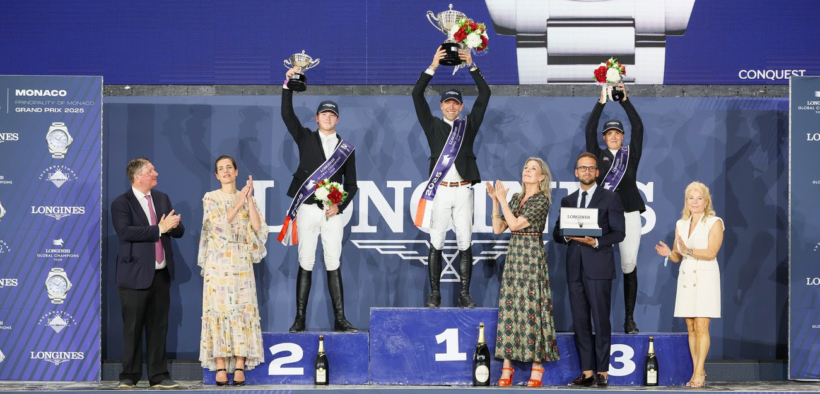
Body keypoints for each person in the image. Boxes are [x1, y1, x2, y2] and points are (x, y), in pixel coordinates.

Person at [279, 67, 358, 333]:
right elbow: (287, 115)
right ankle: (300, 319)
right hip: (307, 208)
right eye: (324, 113)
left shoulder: (346, 150)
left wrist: (340, 205)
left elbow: (352, 185)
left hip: (331, 213)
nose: (328, 117)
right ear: (317, 118)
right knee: (306, 261)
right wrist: (288, 85)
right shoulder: (305, 138)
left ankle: (340, 319)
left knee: (333, 261)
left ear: (337, 119)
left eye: (332, 114)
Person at [411, 46, 491, 308]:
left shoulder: (469, 125)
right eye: (447, 103)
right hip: (441, 190)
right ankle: (434, 293)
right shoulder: (432, 125)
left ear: (461, 106)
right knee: (436, 241)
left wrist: (472, 65)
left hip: (463, 190)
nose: (451, 106)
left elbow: (485, 94)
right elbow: (416, 94)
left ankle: (464, 294)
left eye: (456, 103)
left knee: (465, 241)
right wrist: (433, 66)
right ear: (441, 105)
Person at [552, 152, 625, 387]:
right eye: (582, 168)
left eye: (591, 168)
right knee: (580, 322)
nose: (586, 171)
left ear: (597, 172)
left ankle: (603, 372)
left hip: (599, 267)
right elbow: (557, 233)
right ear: (576, 172)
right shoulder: (568, 200)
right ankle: (587, 372)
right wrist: (567, 236)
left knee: (601, 321)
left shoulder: (610, 198)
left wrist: (595, 241)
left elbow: (619, 233)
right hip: (574, 268)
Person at [111, 158, 184, 389]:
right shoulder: (121, 203)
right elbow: (125, 232)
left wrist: (174, 225)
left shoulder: (161, 198)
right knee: (132, 328)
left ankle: (159, 376)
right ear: (137, 177)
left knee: (158, 328)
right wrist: (159, 229)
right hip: (134, 275)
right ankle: (129, 376)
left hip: (161, 274)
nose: (156, 173)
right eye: (151, 171)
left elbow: (177, 232)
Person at [487, 158, 559, 387]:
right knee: (511, 308)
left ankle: (537, 367)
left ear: (542, 177)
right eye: (526, 168)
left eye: (533, 169)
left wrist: (503, 202)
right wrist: (496, 202)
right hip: (514, 258)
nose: (527, 171)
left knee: (532, 308)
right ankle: (507, 366)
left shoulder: (541, 200)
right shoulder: (517, 198)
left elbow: (517, 225)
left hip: (531, 258)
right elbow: (498, 228)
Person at [198, 155, 268, 386]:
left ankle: (239, 364)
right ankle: (220, 365)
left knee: (242, 310)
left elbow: (258, 227)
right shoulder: (211, 197)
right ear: (217, 175)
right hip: (218, 262)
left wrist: (249, 199)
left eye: (229, 167)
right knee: (218, 310)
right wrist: (238, 202)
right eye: (221, 169)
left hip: (241, 261)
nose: (226, 171)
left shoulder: (247, 197)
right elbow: (218, 226)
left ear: (236, 172)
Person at [584, 83, 645, 334]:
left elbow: (638, 127)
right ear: (604, 137)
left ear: (622, 136)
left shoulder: (631, 154)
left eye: (617, 133)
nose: (613, 136)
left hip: (629, 213)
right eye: (609, 133)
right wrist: (601, 102)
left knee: (629, 264)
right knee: (599, 267)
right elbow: (589, 129)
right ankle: (600, 320)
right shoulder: (596, 156)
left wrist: (624, 100)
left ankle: (629, 319)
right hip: (604, 216)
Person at [654, 182, 723, 388]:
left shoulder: (714, 222)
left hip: (705, 277)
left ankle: (700, 372)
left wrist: (688, 250)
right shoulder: (681, 224)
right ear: (686, 201)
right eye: (691, 198)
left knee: (702, 326)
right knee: (691, 327)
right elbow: (677, 256)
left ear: (706, 202)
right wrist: (669, 253)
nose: (695, 202)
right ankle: (695, 371)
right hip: (686, 278)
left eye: (699, 198)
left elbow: (711, 252)